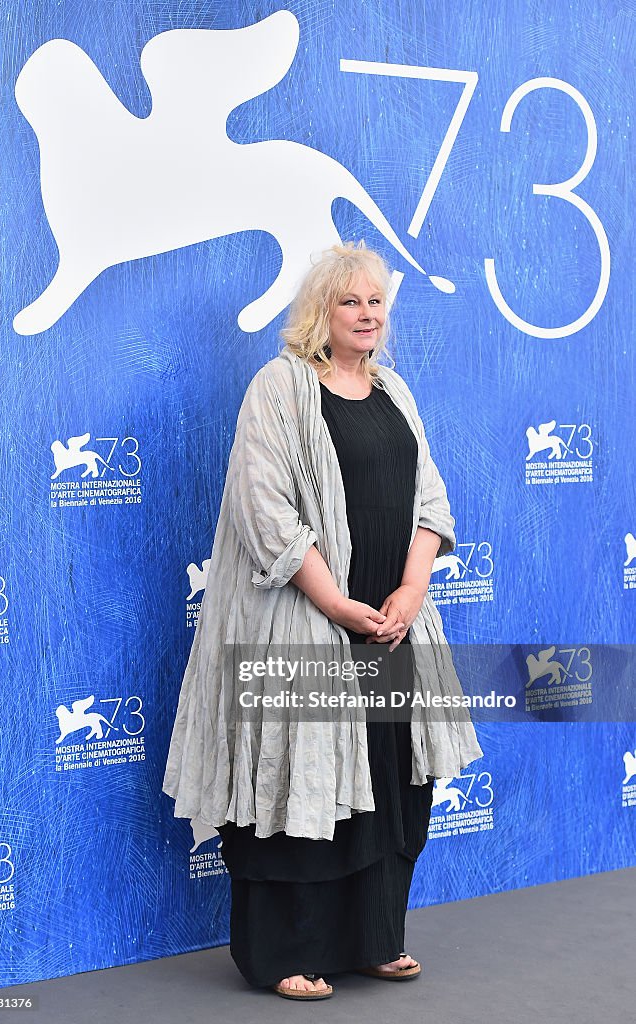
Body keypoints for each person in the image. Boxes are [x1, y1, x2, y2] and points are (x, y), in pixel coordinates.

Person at [162, 241, 483, 1000]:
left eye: (376, 302)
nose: (367, 314)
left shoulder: (396, 392)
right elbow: (263, 509)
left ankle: (374, 941)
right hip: (306, 623)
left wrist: (410, 592)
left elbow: (430, 503)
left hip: (394, 626)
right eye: (351, 302)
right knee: (297, 791)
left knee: (389, 786)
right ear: (321, 313)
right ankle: (284, 956)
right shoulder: (277, 388)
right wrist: (336, 604)